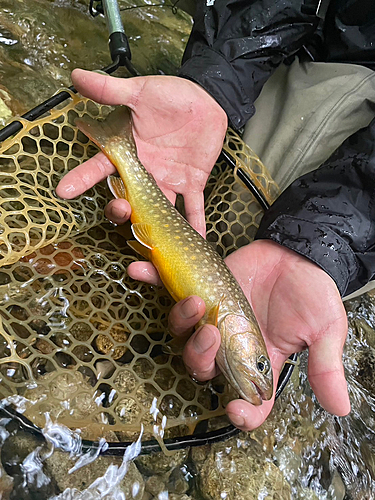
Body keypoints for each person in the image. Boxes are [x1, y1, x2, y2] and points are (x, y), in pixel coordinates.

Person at [56, 0, 375, 431]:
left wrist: (322, 247)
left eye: (260, 366)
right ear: (242, 332)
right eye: (261, 364)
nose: (261, 378)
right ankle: (125, 150)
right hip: (308, 50)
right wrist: (214, 79)